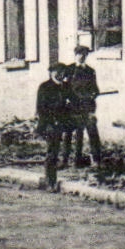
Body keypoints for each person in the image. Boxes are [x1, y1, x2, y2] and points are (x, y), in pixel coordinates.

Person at [35, 62, 74, 190]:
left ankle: (56, 173)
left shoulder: (66, 86)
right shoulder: (45, 87)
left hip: (64, 122)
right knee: (52, 151)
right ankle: (50, 181)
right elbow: (41, 108)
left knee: (64, 150)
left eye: (62, 72)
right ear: (51, 73)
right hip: (49, 123)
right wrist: (50, 121)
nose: (60, 74)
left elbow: (74, 101)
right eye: (57, 72)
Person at [64, 44, 103, 168]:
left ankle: (96, 160)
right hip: (73, 108)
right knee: (70, 133)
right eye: (79, 54)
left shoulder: (90, 71)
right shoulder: (69, 70)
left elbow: (95, 90)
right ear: (75, 55)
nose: (81, 57)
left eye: (84, 55)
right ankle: (66, 160)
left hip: (87, 107)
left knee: (92, 130)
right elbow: (64, 88)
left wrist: (91, 96)